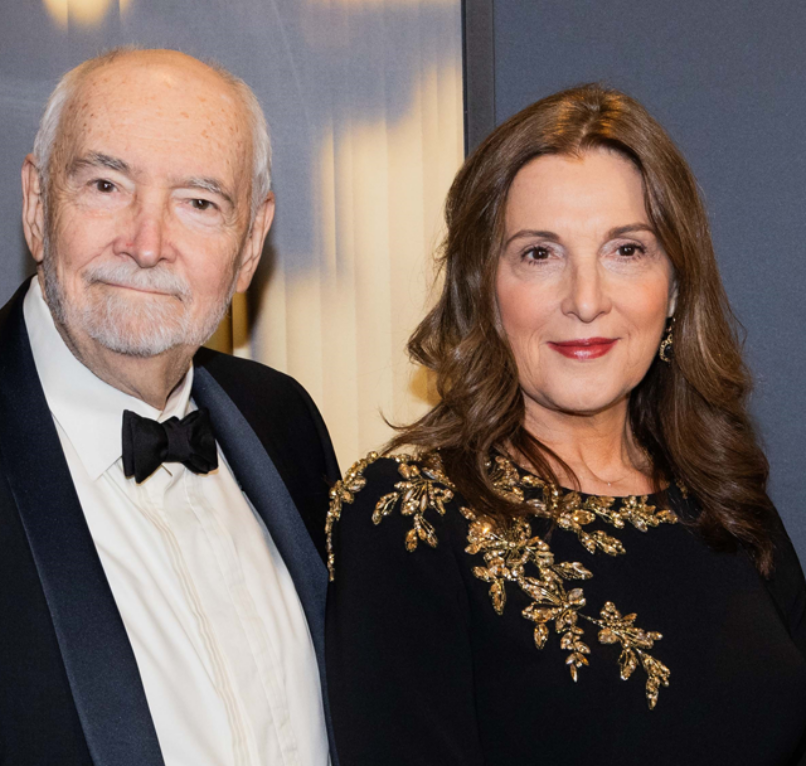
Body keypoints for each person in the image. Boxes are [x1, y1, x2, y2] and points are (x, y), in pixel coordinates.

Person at [0, 48, 339, 766]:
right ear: (36, 205)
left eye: (199, 203)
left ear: (249, 245)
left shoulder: (284, 422)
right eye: (106, 184)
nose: (147, 244)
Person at [325, 84, 806, 764]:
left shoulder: (719, 491)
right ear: (483, 289)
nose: (585, 300)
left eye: (626, 250)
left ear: (675, 286)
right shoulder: (409, 516)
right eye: (539, 254)